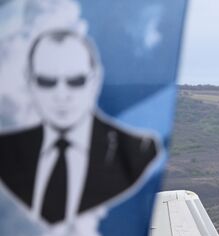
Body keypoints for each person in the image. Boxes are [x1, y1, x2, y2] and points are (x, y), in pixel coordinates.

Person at [0, 29, 159, 225]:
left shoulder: (137, 152)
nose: (61, 94)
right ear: (29, 81)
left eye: (76, 81)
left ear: (95, 80)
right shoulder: (7, 153)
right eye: (47, 81)